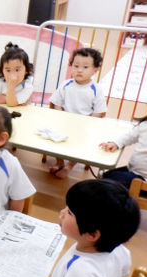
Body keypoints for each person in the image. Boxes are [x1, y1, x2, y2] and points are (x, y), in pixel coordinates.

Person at [12, 179, 140, 277]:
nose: (62, 213)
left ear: (92, 234)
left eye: (70, 213)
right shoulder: (118, 249)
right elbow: (121, 271)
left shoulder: (81, 275)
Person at [49, 48, 107, 179]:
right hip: (64, 122)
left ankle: (69, 166)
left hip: (83, 126)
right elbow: (56, 102)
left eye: (85, 67)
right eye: (76, 66)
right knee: (55, 138)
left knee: (77, 144)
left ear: (95, 69)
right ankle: (59, 163)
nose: (79, 70)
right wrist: (60, 115)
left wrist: (85, 124)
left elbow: (99, 112)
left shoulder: (96, 89)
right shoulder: (66, 84)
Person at [0, 42, 34, 107]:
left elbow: (11, 104)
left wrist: (11, 87)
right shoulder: (1, 81)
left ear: (26, 70)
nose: (13, 75)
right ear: (2, 71)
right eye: (8, 70)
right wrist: (11, 99)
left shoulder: (27, 86)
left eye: (17, 70)